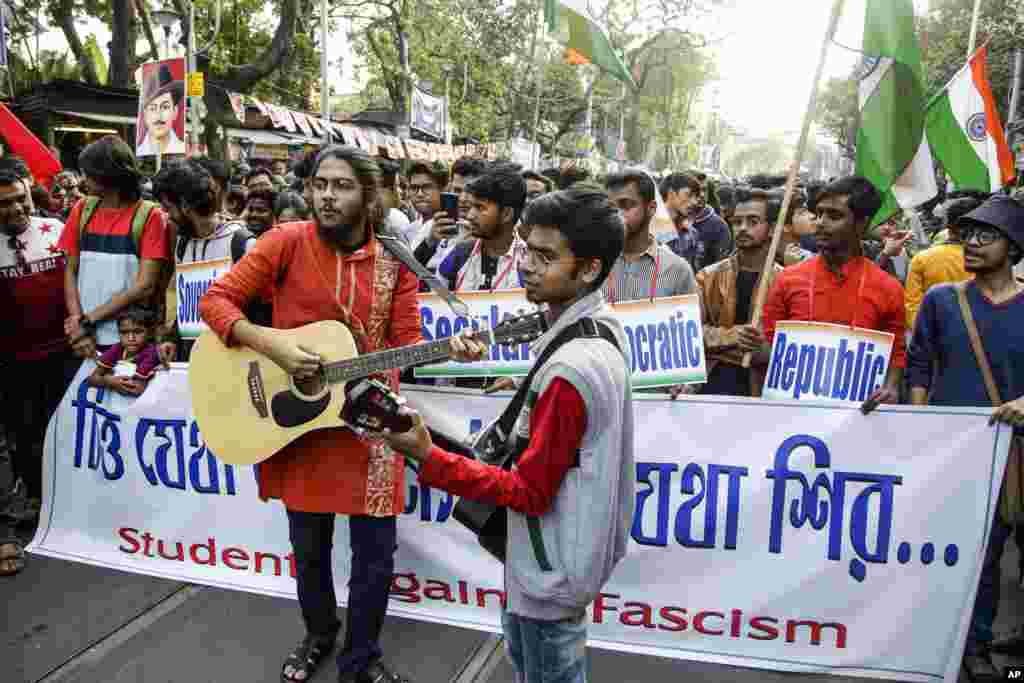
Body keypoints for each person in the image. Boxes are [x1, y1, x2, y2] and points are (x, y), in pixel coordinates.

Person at [380, 186, 635, 683]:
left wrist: (428, 457)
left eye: (546, 257)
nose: (529, 267)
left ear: (589, 269)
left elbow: (528, 492)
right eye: (527, 250)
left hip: (548, 571)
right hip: (562, 560)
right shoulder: (598, 330)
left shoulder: (570, 369)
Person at [199, 145, 433, 683]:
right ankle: (319, 634)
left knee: (375, 558)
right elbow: (216, 302)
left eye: (342, 186)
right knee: (309, 548)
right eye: (320, 184)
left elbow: (407, 341)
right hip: (297, 424)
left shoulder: (396, 260)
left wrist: (448, 350)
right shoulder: (284, 241)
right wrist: (273, 345)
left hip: (371, 425)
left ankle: (360, 660)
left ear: (369, 196)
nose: (327, 196)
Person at [905, 195, 1024, 680]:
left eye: (985, 235)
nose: (970, 243)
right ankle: (971, 644)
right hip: (959, 452)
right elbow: (919, 363)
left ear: (1013, 246)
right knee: (977, 550)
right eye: (966, 235)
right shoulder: (942, 300)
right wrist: (917, 425)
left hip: (1017, 449)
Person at [760, 176, 907, 414]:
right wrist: (752, 344)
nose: (821, 223)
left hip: (856, 420)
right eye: (819, 214)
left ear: (861, 223)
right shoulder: (787, 280)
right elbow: (768, 347)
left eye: (834, 216)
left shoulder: (888, 289)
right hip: (789, 416)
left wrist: (890, 387)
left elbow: (896, 354)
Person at [0, 168, 79, 528]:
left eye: (20, 198)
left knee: (64, 427)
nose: (16, 208)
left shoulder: (56, 230)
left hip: (64, 354)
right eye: (4, 204)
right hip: (12, 361)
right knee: (25, 433)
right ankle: (35, 498)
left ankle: (73, 499)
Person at [59, 136, 170, 359]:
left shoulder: (149, 216)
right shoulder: (82, 209)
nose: (83, 180)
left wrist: (88, 320)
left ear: (107, 175)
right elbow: (70, 270)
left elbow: (144, 286)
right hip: (85, 339)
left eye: (88, 174)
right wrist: (79, 328)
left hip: (129, 340)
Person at [151, 160, 252, 363]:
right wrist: (172, 338)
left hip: (231, 361)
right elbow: (185, 303)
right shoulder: (182, 243)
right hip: (190, 358)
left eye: (168, 207)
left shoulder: (241, 244)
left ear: (186, 205)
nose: (166, 214)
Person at [695, 188, 784, 397]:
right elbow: (692, 334)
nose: (743, 228)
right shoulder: (708, 277)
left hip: (763, 388)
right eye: (737, 222)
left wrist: (762, 350)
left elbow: (787, 345)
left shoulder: (786, 281)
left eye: (753, 222)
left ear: (771, 228)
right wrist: (734, 335)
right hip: (712, 384)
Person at [604, 170, 696, 302]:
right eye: (611, 208)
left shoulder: (678, 270)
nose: (617, 215)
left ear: (651, 208)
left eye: (626, 205)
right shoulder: (593, 267)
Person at [437, 162, 527, 292]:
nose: (470, 216)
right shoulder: (459, 254)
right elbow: (436, 300)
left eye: (480, 207)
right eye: (472, 206)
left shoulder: (528, 262)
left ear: (506, 214)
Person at [903, 195, 982, 331]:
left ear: (948, 225)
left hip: (935, 339)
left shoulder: (921, 259)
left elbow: (912, 308)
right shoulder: (987, 259)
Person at [661, 172, 733, 273]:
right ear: (671, 193)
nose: (695, 201)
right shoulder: (645, 227)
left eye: (697, 195)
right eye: (689, 195)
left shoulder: (692, 234)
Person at [88, 306, 161, 396]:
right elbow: (92, 379)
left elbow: (138, 389)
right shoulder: (117, 348)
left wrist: (109, 379)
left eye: (138, 332)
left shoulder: (152, 353)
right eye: (124, 332)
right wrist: (108, 381)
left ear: (150, 333)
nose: (131, 338)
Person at [137, 63, 186, 157]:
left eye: (165, 107)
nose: (158, 116)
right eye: (152, 108)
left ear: (175, 112)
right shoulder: (139, 153)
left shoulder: (182, 151)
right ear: (145, 114)